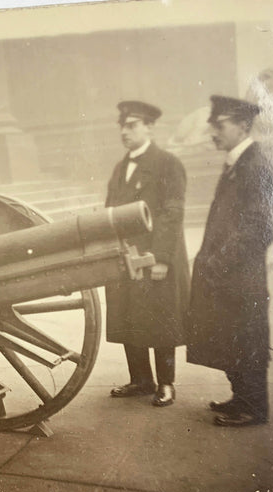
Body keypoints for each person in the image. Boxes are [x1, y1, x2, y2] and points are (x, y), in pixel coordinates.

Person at [186, 95, 273, 427]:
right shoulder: (237, 163)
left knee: (246, 339)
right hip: (231, 274)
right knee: (232, 337)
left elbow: (260, 227)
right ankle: (241, 398)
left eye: (219, 125)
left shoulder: (255, 165)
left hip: (242, 276)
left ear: (242, 126)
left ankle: (253, 407)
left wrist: (218, 262)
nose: (213, 131)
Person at [105, 100, 189, 407]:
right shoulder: (120, 168)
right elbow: (110, 213)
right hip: (127, 256)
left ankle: (166, 383)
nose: (125, 132)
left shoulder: (167, 163)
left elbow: (172, 212)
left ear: (149, 127)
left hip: (155, 256)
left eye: (132, 125)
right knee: (130, 314)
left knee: (160, 318)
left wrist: (162, 258)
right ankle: (140, 379)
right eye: (122, 126)